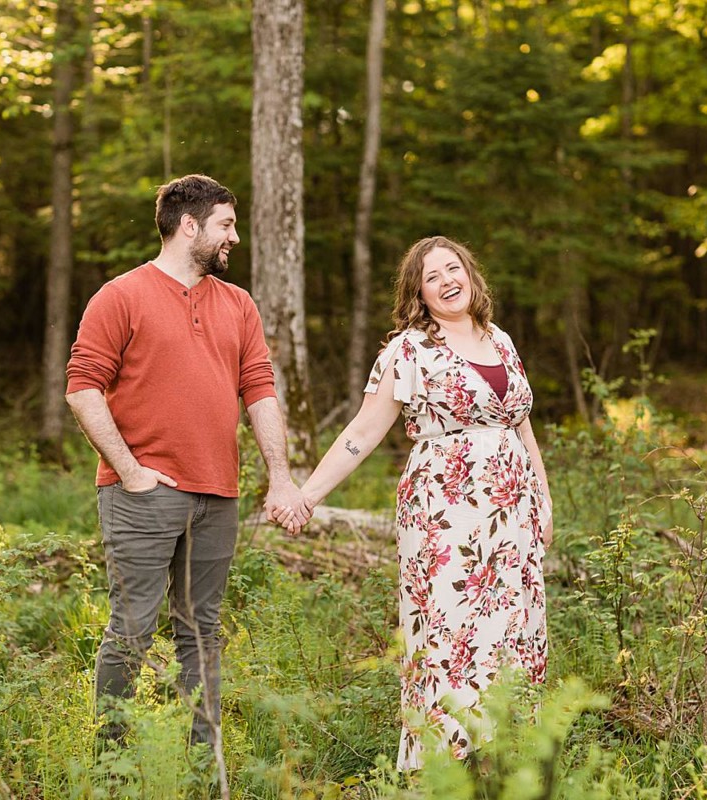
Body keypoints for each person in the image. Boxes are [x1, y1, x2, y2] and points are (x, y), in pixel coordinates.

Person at [275, 235, 552, 770]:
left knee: (515, 627)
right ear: (418, 294)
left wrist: (543, 497)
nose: (448, 280)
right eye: (433, 276)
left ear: (471, 274)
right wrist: (307, 495)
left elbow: (521, 425)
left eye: (454, 268)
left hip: (514, 511)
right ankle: (447, 764)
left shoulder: (502, 340)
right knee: (451, 630)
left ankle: (506, 757)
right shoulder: (409, 350)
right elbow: (364, 430)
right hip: (445, 513)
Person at [65, 174, 309, 752]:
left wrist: (280, 477)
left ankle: (207, 762)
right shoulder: (120, 295)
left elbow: (260, 389)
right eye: (226, 224)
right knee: (131, 630)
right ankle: (110, 763)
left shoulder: (238, 303)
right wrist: (130, 472)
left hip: (218, 494)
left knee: (202, 632)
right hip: (143, 494)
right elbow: (82, 388)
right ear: (190, 225)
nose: (236, 237)